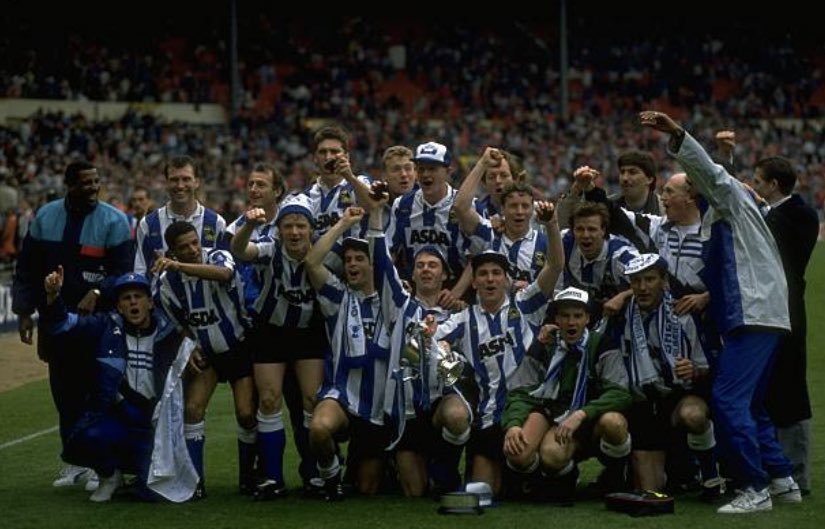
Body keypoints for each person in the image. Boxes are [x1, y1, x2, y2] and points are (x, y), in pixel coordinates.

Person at [640, 110, 801, 514]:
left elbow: (714, 177)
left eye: (690, 183)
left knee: (727, 399)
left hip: (753, 313)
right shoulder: (728, 208)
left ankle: (754, 486)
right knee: (751, 403)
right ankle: (783, 479)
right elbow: (716, 178)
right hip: (759, 314)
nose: (693, 186)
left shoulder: (730, 197)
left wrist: (677, 134)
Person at [12, 160, 132, 489]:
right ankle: (75, 461)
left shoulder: (115, 221)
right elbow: (27, 268)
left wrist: (98, 290)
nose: (93, 188)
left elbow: (123, 272)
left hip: (99, 326)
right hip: (56, 323)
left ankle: (99, 463)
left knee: (99, 394)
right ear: (68, 184)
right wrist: (23, 310)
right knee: (64, 397)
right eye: (86, 183)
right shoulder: (45, 217)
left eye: (96, 181)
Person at [433, 199, 563, 496]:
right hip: (488, 416)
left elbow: (555, 265)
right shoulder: (462, 320)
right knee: (483, 494)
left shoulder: (526, 305)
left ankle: (540, 472)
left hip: (528, 407)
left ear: (507, 279)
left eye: (496, 273)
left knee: (521, 464)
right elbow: (422, 347)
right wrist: (440, 351)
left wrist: (552, 224)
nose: (490, 279)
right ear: (474, 283)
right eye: (483, 274)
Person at [41, 269, 196, 502]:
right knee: (86, 435)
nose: (133, 302)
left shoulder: (169, 334)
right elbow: (63, 325)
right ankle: (109, 476)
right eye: (126, 298)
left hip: (155, 425)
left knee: (154, 495)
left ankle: (138, 476)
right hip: (119, 418)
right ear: (119, 307)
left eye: (138, 296)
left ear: (150, 303)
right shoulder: (105, 326)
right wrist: (53, 296)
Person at [364, 188, 470, 497]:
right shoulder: (400, 304)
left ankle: (446, 464)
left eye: (432, 265)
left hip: (439, 400)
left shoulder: (458, 315)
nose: (425, 269)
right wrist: (375, 214)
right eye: (420, 265)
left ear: (444, 274)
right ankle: (402, 463)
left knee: (456, 416)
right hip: (405, 407)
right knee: (415, 493)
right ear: (412, 271)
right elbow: (381, 263)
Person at [231, 194, 328, 499]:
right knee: (270, 401)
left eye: (301, 225)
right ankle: (272, 478)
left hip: (309, 333)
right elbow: (239, 250)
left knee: (312, 402)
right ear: (279, 228)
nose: (295, 232)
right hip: (270, 332)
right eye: (288, 225)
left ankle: (315, 474)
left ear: (311, 228)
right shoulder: (270, 249)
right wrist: (248, 225)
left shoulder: (324, 253)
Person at [153, 221, 256, 499]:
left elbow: (224, 274)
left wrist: (179, 267)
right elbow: (178, 321)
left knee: (247, 414)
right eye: (183, 247)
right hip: (206, 353)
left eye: (194, 242)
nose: (192, 249)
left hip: (238, 347)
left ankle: (248, 478)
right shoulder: (168, 284)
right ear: (172, 251)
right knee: (193, 410)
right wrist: (190, 345)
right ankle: (194, 482)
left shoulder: (217, 256)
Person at [502, 287, 631, 502]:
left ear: (588, 318)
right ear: (556, 319)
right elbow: (520, 391)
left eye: (578, 316)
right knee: (521, 453)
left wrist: (582, 414)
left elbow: (620, 392)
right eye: (565, 316)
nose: (571, 322)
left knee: (614, 423)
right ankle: (556, 478)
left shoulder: (601, 344)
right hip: (555, 418)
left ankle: (617, 476)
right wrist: (514, 424)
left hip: (592, 420)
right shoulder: (545, 345)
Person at [304, 208, 393, 500]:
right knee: (318, 428)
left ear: (372, 264)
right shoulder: (337, 297)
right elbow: (313, 261)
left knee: (368, 489)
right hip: (341, 395)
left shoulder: (393, 301)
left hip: (378, 406)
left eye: (359, 259)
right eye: (348, 260)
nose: (352, 264)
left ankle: (373, 464)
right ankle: (331, 478)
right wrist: (343, 224)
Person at [617, 254, 720, 498]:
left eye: (650, 279)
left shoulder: (683, 312)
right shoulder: (622, 314)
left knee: (693, 415)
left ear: (664, 281)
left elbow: (710, 367)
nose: (642, 288)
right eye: (636, 281)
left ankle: (710, 475)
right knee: (651, 492)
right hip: (643, 404)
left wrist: (694, 371)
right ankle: (637, 472)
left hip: (679, 398)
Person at [753, 157, 819, 496]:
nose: (756, 186)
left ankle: (797, 474)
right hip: (772, 308)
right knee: (772, 385)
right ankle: (779, 469)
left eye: (759, 181)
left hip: (787, 311)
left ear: (774, 185)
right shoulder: (783, 212)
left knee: (790, 387)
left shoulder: (797, 215)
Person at [454, 148, 552, 287]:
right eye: (491, 177)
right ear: (484, 182)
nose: (498, 181)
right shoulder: (480, 212)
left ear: (516, 178)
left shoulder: (537, 212)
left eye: (504, 175)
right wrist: (482, 164)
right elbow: (459, 207)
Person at [386, 141, 470, 292]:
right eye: (421, 169)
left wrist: (456, 294)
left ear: (448, 171)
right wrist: (396, 285)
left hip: (456, 291)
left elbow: (477, 258)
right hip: (413, 290)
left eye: (432, 169)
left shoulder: (466, 205)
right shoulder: (402, 205)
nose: (425, 174)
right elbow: (390, 253)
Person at [134, 155, 227, 280]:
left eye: (186, 179)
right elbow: (140, 270)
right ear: (166, 183)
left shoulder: (215, 223)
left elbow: (225, 269)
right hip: (163, 298)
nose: (180, 185)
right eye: (174, 180)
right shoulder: (148, 224)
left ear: (197, 182)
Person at [558, 201, 639, 320]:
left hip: (622, 318)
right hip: (582, 317)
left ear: (603, 230)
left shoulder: (621, 255)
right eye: (579, 229)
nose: (585, 235)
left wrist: (623, 296)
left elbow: (653, 284)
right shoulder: (565, 242)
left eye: (592, 229)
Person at [558, 150, 663, 230]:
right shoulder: (606, 205)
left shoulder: (664, 210)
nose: (625, 178)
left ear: (649, 179)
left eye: (632, 172)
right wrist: (577, 188)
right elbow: (563, 228)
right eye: (622, 172)